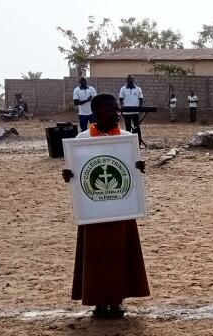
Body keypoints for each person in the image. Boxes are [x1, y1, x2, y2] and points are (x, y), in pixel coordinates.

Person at [61, 93, 150, 319]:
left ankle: (117, 301)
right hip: (94, 211)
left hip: (121, 210)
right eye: (111, 110)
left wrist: (138, 168)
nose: (117, 114)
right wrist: (69, 174)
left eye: (118, 109)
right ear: (97, 112)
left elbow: (130, 172)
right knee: (95, 257)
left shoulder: (126, 138)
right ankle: (99, 302)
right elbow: (77, 173)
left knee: (120, 254)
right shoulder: (81, 140)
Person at [119, 75, 145, 148]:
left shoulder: (138, 89)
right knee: (128, 129)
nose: (130, 81)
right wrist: (122, 108)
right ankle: (128, 145)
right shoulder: (123, 89)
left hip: (135, 112)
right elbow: (121, 99)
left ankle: (139, 144)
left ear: (133, 80)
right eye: (128, 80)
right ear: (126, 80)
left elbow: (141, 99)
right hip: (126, 112)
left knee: (137, 128)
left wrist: (139, 109)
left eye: (131, 79)